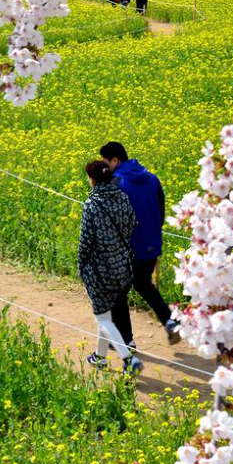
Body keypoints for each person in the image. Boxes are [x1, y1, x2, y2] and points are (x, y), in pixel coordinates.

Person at [100, 141, 180, 345]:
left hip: (128, 249)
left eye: (105, 162)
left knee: (118, 294)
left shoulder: (116, 182)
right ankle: (170, 320)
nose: (103, 167)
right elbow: (161, 213)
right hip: (151, 245)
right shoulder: (152, 179)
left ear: (115, 160)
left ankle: (125, 342)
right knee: (143, 284)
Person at [79, 160, 143, 374]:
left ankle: (129, 358)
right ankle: (100, 357)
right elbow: (133, 223)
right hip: (123, 266)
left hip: (100, 269)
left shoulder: (92, 204)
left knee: (103, 317)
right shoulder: (123, 197)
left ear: (93, 179)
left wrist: (82, 266)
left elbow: (85, 241)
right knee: (110, 311)